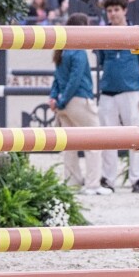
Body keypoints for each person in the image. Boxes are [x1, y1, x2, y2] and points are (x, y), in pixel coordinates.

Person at [49, 13, 107, 192]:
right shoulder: (79, 52)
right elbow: (75, 80)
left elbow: (57, 78)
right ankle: (92, 184)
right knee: (95, 143)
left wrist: (55, 98)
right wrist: (63, 100)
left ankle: (72, 183)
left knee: (70, 145)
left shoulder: (62, 50)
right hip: (79, 100)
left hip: (63, 104)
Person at [97, 0, 139, 192]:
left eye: (116, 9)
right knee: (107, 138)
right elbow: (102, 62)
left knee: (136, 137)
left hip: (131, 91)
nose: (113, 13)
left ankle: (137, 180)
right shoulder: (102, 35)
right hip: (108, 93)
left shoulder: (136, 34)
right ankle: (108, 179)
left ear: (124, 10)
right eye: (109, 10)